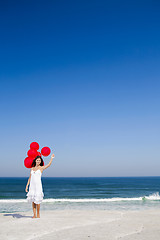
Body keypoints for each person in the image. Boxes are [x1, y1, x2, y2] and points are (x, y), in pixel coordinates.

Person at [25, 153, 55, 218]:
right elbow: (30, 178)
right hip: (32, 186)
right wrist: (27, 185)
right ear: (35, 160)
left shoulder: (41, 168)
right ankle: (34, 214)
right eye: (37, 160)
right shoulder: (32, 168)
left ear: (41, 162)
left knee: (37, 201)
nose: (38, 161)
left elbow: (48, 165)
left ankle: (38, 214)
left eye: (39, 160)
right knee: (33, 201)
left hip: (38, 186)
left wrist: (51, 158)